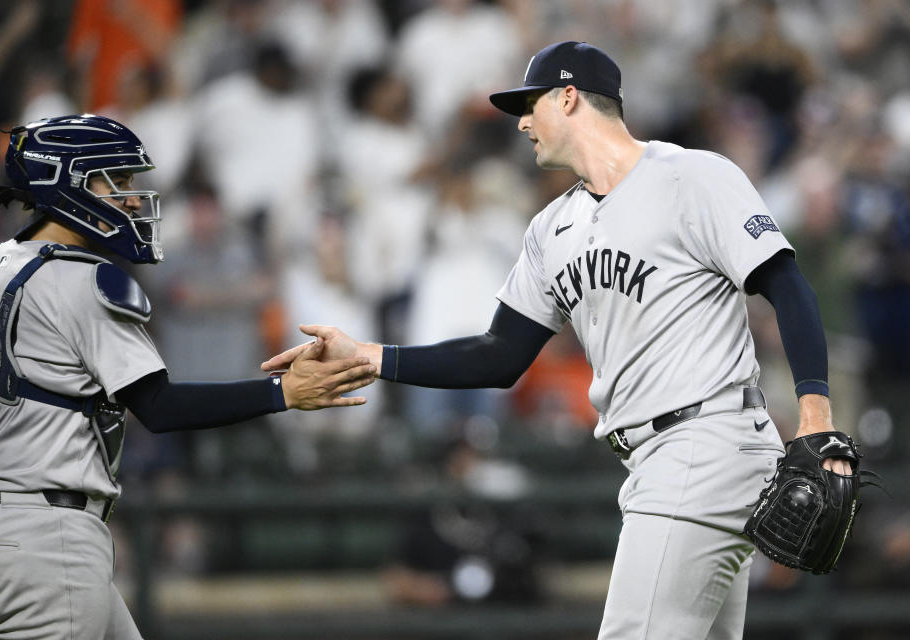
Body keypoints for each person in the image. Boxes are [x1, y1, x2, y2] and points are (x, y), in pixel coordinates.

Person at [263, 41, 853, 639]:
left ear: (569, 97)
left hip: (704, 445)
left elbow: (786, 285)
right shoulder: (552, 229)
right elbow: (499, 355)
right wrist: (371, 357)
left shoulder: (691, 176)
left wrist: (814, 413)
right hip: (660, 456)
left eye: (530, 104)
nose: (521, 122)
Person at [0, 114, 375, 639]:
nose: (132, 198)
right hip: (49, 533)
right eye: (119, 181)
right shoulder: (79, 278)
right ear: (70, 180)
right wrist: (282, 391)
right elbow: (160, 406)